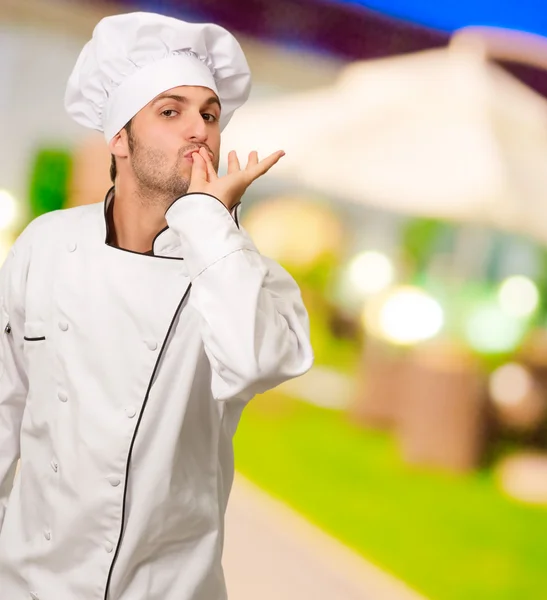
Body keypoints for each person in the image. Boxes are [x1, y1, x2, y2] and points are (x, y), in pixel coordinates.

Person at [0, 11, 313, 600]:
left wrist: (206, 218)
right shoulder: (46, 244)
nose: (198, 128)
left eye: (210, 114)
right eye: (170, 111)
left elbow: (256, 363)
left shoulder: (243, 275)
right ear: (119, 137)